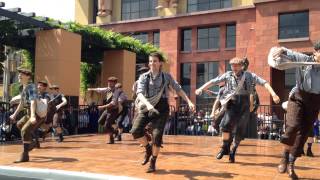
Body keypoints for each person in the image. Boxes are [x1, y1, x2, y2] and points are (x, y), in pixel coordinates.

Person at [195, 57, 280, 163]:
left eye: (236, 65)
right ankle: (225, 148)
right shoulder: (228, 75)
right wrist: (201, 88)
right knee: (225, 126)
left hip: (244, 105)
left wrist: (274, 94)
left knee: (240, 131)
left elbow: (264, 83)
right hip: (232, 103)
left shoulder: (249, 76)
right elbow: (213, 81)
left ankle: (233, 151)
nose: (234, 68)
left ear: (241, 66)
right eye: (232, 65)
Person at [131, 52, 195, 173]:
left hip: (162, 108)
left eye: (155, 61)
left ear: (160, 63)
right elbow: (139, 93)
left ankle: (153, 161)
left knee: (156, 135)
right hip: (147, 106)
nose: (152, 63)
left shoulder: (167, 76)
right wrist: (149, 106)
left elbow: (178, 89)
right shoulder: (144, 77)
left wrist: (189, 101)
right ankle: (148, 149)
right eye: (150, 61)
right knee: (135, 130)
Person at [270, 41, 320, 179]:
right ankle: (284, 156)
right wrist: (279, 51)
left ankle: (291, 164)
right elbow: (286, 51)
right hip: (298, 97)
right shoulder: (303, 59)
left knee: (303, 134)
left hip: (315, 102)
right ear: (316, 51)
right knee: (293, 126)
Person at [9, 68, 39, 163]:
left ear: (28, 77)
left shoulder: (31, 87)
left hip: (36, 113)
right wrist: (14, 114)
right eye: (19, 74)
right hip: (28, 113)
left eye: (22, 74)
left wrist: (33, 115)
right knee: (19, 124)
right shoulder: (22, 88)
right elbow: (22, 103)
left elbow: (33, 101)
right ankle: (32, 142)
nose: (19, 75)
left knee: (24, 130)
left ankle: (25, 155)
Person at [88, 76, 120, 144]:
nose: (109, 83)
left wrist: (103, 107)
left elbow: (113, 103)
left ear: (114, 83)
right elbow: (100, 89)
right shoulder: (108, 89)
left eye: (111, 82)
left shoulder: (116, 91)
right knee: (100, 121)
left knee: (107, 126)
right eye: (108, 82)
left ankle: (112, 139)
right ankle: (116, 132)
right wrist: (92, 89)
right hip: (107, 109)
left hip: (113, 110)